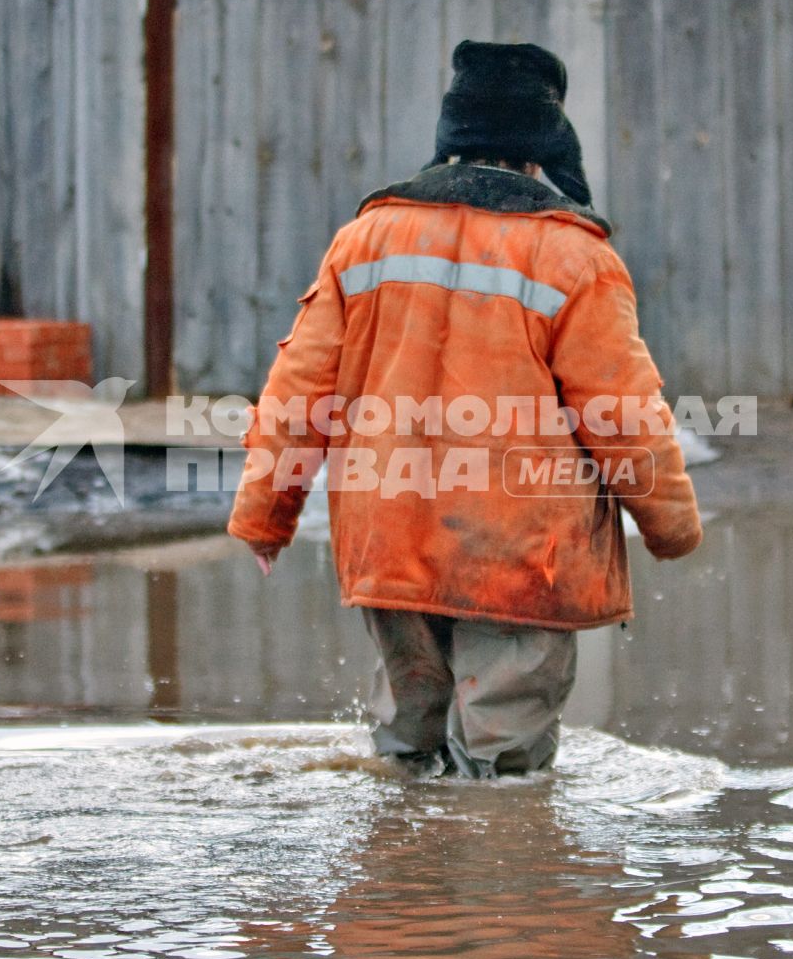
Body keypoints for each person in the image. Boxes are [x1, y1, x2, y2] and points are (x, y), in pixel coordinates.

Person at [227, 40, 702, 779]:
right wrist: (670, 526)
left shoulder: (363, 241)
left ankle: (402, 886)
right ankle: (488, 884)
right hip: (520, 557)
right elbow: (624, 413)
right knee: (502, 765)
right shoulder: (573, 257)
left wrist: (266, 514)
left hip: (390, 541)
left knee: (406, 747)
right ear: (540, 150)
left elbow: (298, 390)